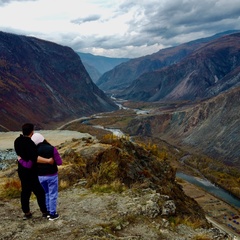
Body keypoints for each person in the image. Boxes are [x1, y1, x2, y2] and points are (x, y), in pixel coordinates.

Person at [14, 123, 53, 220]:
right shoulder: (30, 143)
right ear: (32, 132)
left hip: (22, 171)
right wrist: (48, 161)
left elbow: (20, 155)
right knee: (39, 192)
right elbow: (34, 158)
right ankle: (44, 212)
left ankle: (27, 212)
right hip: (31, 172)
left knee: (25, 192)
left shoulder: (17, 141)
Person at [31, 132, 62, 221]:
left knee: (46, 193)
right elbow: (59, 162)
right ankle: (53, 214)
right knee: (53, 194)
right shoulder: (52, 148)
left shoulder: (34, 151)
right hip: (52, 175)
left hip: (40, 176)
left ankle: (47, 211)